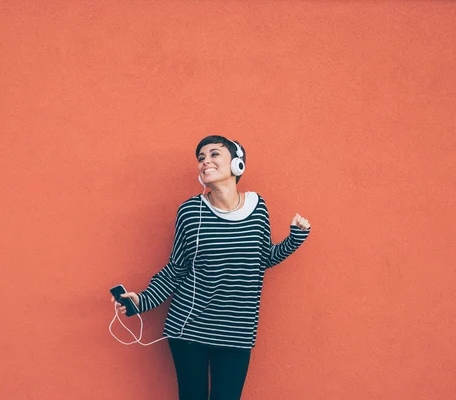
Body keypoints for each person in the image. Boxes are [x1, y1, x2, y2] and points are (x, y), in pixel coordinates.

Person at [113, 136, 310, 400]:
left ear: (237, 163)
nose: (205, 161)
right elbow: (176, 268)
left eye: (214, 154)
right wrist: (144, 300)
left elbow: (264, 259)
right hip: (189, 327)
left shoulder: (258, 207)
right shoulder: (191, 212)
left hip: (237, 331)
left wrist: (295, 238)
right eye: (201, 157)